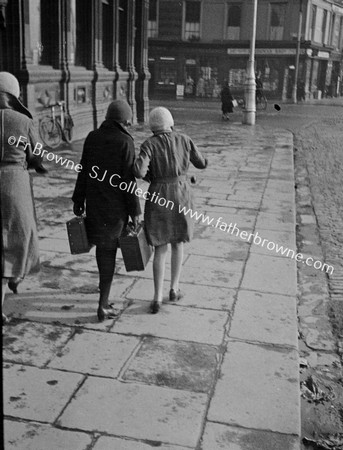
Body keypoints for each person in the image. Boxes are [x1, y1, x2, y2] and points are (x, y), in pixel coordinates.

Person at [133, 107, 208, 314]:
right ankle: (174, 289)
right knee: (178, 243)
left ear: (152, 127)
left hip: (158, 195)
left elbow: (139, 171)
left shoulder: (149, 144)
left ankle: (157, 297)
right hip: (182, 195)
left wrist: (151, 176)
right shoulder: (184, 139)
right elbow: (201, 163)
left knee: (160, 247)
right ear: (170, 123)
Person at [72, 100, 141, 322]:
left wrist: (78, 199)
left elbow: (83, 170)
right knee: (109, 253)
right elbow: (128, 180)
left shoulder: (93, 137)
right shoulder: (125, 141)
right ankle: (102, 305)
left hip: (95, 204)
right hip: (116, 209)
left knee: (103, 251)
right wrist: (135, 211)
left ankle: (104, 300)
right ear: (125, 120)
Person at [0, 72, 47, 324]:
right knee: (22, 231)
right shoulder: (23, 120)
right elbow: (37, 156)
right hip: (14, 182)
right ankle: (16, 275)